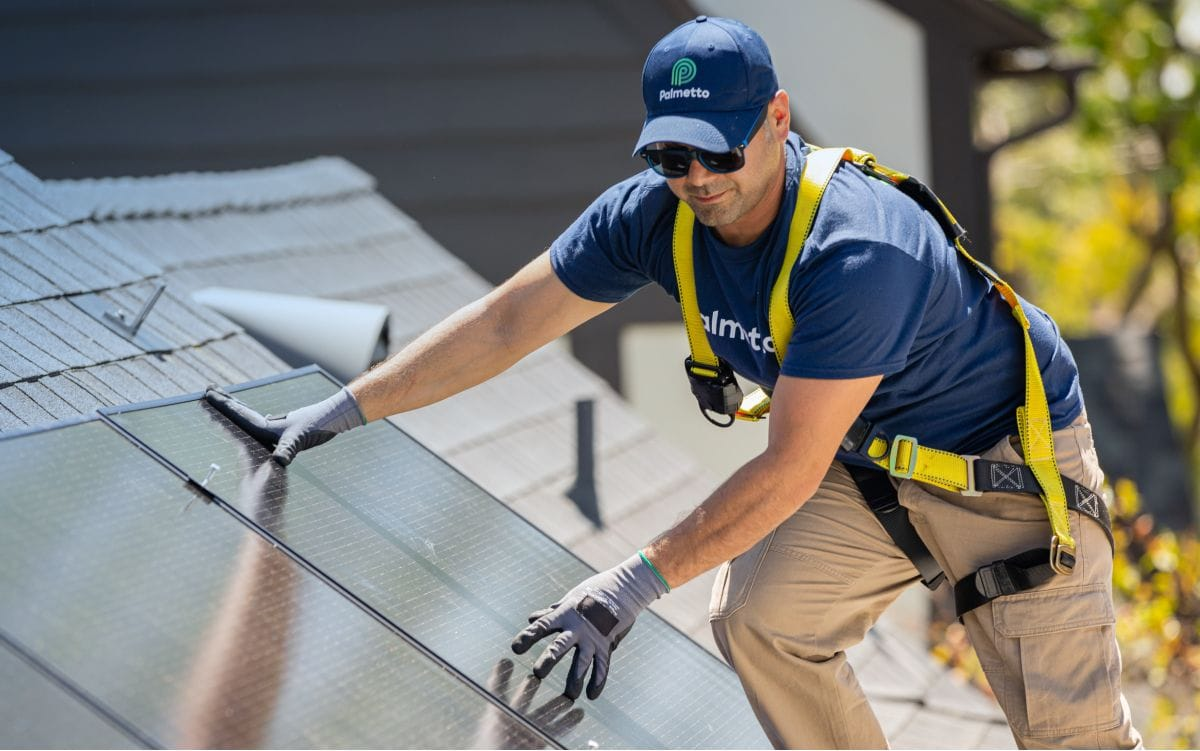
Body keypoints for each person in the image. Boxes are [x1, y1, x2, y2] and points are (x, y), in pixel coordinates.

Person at [206, 16, 1142, 749]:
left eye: (721, 151)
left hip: (1001, 466)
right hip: (867, 459)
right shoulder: (652, 218)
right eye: (671, 154)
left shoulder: (857, 251)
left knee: (1071, 739)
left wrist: (622, 589)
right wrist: (343, 409)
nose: (696, 178)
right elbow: (503, 324)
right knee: (762, 617)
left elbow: (781, 473)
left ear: (778, 119)